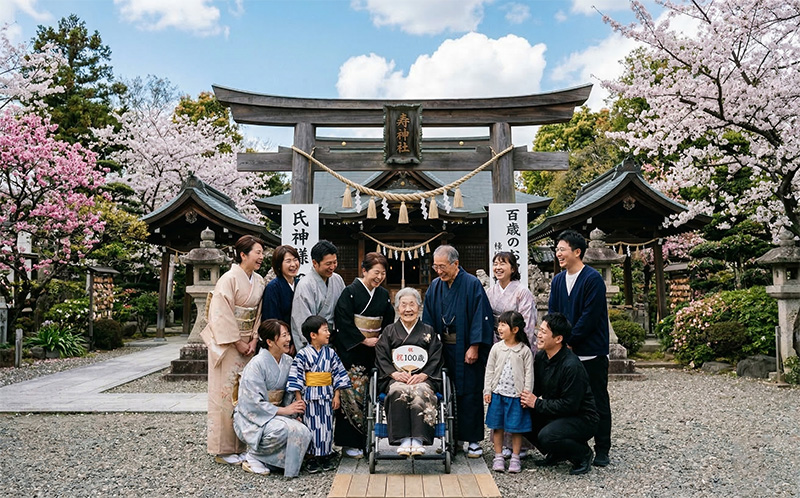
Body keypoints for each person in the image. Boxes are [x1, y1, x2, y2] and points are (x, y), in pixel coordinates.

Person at [422, 245, 494, 458]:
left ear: (455, 264)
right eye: (435, 266)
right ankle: (449, 438)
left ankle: (472, 440)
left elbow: (482, 316)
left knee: (470, 392)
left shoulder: (472, 284)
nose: (438, 271)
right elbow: (428, 320)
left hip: (467, 348)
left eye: (442, 266)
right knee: (444, 391)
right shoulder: (435, 286)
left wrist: (475, 346)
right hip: (443, 348)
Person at [201, 235, 266, 465]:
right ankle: (223, 448)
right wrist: (238, 341)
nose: (261, 257)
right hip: (228, 344)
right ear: (243, 255)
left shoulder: (259, 281)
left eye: (262, 252)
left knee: (245, 394)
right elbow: (220, 314)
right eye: (257, 252)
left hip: (249, 342)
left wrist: (254, 338)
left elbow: (258, 313)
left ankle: (242, 444)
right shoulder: (228, 279)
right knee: (225, 394)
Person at [548, 229, 612, 467]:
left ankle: (603, 447)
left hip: (590, 351)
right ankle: (564, 445)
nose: (558, 254)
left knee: (596, 400)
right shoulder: (557, 280)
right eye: (557, 250)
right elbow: (553, 314)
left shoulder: (592, 278)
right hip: (564, 353)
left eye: (562, 249)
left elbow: (590, 317)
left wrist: (566, 341)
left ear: (577, 251)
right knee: (564, 401)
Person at [333, 252, 395, 458]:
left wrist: (382, 340)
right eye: (376, 272)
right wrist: (362, 339)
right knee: (351, 394)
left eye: (383, 273)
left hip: (374, 350)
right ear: (364, 271)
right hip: (353, 352)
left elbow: (388, 320)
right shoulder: (350, 292)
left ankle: (368, 440)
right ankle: (349, 443)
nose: (379, 277)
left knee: (371, 394)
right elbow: (343, 321)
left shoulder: (382, 295)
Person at [521, 313, 598, 475]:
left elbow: (570, 405)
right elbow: (536, 389)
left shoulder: (571, 366)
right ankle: (557, 452)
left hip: (581, 418)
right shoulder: (542, 357)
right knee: (520, 414)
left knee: (548, 436)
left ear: (558, 339)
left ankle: (583, 454)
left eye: (543, 332)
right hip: (558, 412)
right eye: (539, 330)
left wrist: (537, 403)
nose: (538, 335)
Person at [233, 319, 312, 477]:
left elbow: (291, 393)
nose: (289, 338)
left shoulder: (288, 361)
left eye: (288, 334)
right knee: (286, 430)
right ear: (269, 341)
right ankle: (254, 456)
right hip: (253, 418)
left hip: (279, 414)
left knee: (305, 427)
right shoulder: (256, 365)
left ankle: (273, 462)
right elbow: (252, 403)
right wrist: (284, 411)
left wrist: (294, 414)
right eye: (284, 335)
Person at [375, 287, 443, 456]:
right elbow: (381, 355)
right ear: (397, 308)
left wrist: (424, 375)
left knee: (422, 391)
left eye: (412, 304)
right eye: (403, 305)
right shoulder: (389, 331)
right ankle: (404, 439)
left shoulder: (428, 331)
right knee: (399, 391)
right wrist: (394, 374)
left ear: (419, 307)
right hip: (397, 377)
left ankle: (419, 439)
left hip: (422, 378)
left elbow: (436, 356)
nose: (407, 309)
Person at [486, 251, 538, 459]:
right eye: (495, 264)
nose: (498, 268)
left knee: (517, 396)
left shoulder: (522, 292)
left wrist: (523, 347)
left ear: (513, 269)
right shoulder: (490, 292)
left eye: (503, 264)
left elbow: (529, 323)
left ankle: (519, 446)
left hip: (518, 348)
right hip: (497, 347)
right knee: (499, 394)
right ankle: (502, 446)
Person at [286, 315, 351, 474]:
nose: (328, 333)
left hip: (327, 396)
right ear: (313, 335)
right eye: (325, 330)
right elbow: (297, 378)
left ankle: (325, 455)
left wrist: (337, 395)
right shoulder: (302, 354)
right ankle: (310, 457)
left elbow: (337, 374)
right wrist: (299, 401)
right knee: (311, 427)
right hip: (309, 397)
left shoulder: (331, 353)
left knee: (327, 426)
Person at [484, 311, 534, 474]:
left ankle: (515, 457)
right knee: (497, 427)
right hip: (498, 394)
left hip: (516, 396)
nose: (500, 328)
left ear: (515, 329)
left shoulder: (524, 350)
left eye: (504, 324)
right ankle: (498, 456)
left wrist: (527, 393)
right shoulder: (496, 348)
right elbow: (489, 370)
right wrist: (487, 390)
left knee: (516, 428)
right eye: (499, 324)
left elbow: (529, 374)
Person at [291, 240, 345, 350]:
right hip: (313, 341)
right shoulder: (305, 285)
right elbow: (303, 322)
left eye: (335, 262)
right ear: (315, 263)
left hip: (335, 339)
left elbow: (344, 309)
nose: (332, 267)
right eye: (328, 264)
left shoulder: (337, 279)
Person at [262, 245, 300, 326]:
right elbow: (270, 319)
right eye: (288, 261)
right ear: (279, 265)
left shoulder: (300, 284)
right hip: (281, 335)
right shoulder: (273, 287)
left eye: (295, 260)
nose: (293, 264)